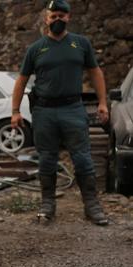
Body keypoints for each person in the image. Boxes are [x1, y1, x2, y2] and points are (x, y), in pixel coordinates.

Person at [11, 0, 109, 225]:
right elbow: (21, 81)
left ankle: (92, 207)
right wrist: (15, 111)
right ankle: (48, 205)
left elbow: (95, 73)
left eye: (61, 16)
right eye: (53, 16)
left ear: (68, 18)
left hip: (73, 109)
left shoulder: (81, 44)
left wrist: (103, 102)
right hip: (44, 111)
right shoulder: (36, 49)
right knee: (46, 159)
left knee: (83, 159)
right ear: (46, 19)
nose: (57, 20)